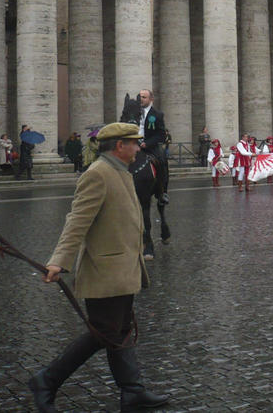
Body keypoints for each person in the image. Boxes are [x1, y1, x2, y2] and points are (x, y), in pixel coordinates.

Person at [28, 122, 169, 413]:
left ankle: (132, 392)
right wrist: (59, 261)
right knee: (103, 332)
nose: (138, 146)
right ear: (120, 146)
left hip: (123, 268)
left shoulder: (121, 171)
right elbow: (77, 221)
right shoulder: (98, 174)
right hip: (105, 270)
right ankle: (46, 380)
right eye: (133, 142)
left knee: (122, 329)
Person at [136, 89, 168, 195]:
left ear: (151, 99)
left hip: (150, 146)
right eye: (139, 97)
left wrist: (147, 143)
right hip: (134, 145)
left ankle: (162, 192)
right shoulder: (133, 112)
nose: (141, 99)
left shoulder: (157, 114)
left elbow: (161, 135)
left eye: (144, 97)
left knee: (162, 161)